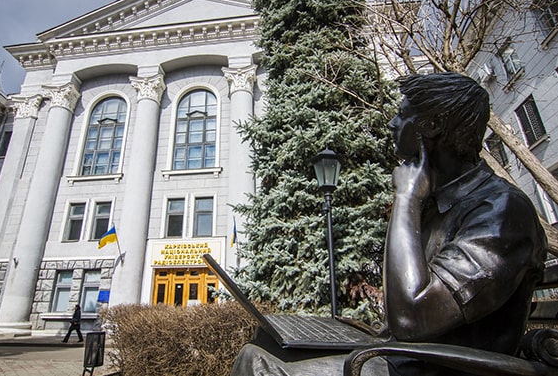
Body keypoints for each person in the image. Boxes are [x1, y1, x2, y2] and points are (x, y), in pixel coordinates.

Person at [230, 72, 547, 376]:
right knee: (265, 342)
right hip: (405, 357)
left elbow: (412, 319)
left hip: (439, 368)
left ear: (432, 126)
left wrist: (406, 198)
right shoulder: (438, 203)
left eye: (402, 114)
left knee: (260, 364)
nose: (393, 123)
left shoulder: (502, 211)